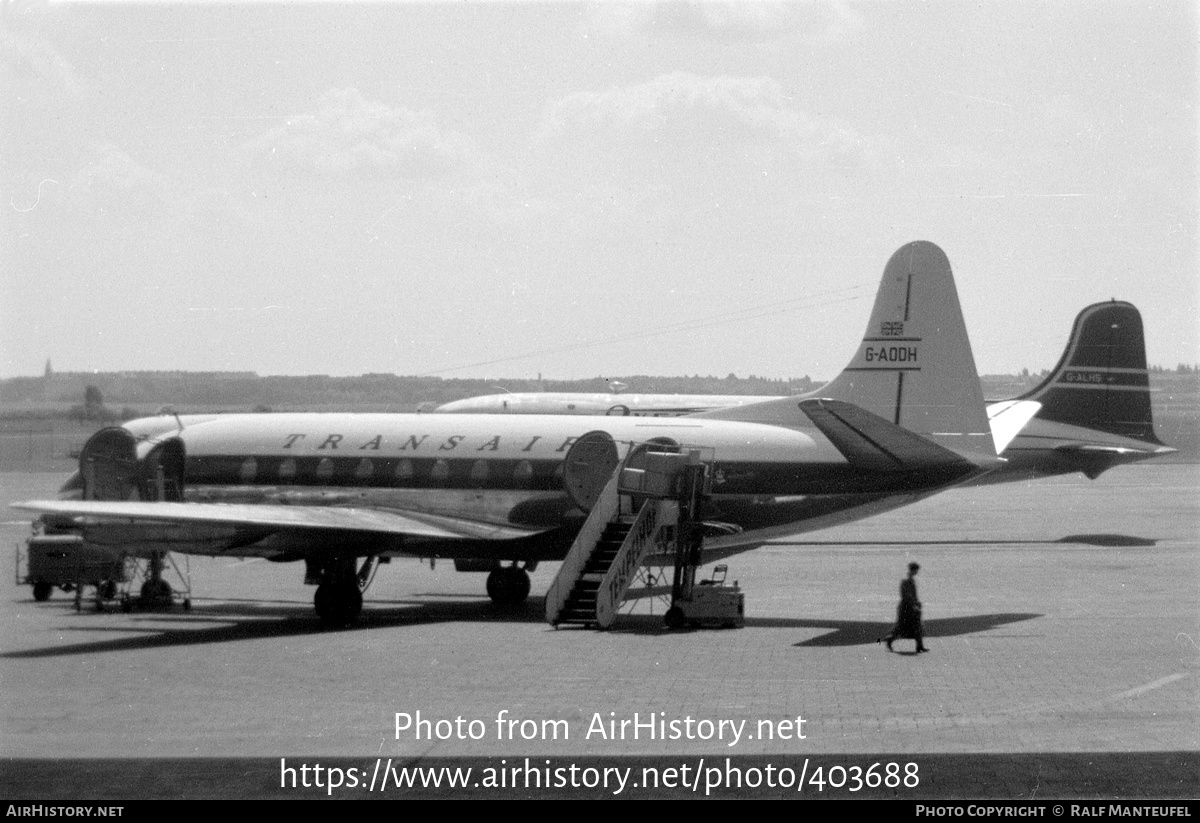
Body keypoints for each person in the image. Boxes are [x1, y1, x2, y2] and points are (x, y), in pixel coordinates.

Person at [880, 562, 928, 653]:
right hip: (906, 607)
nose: (917, 572)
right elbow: (907, 595)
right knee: (903, 626)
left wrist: (917, 603)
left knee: (916, 626)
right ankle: (890, 640)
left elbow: (912, 595)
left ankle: (920, 646)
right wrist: (914, 603)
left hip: (911, 606)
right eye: (916, 570)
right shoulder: (906, 580)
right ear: (912, 570)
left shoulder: (910, 579)